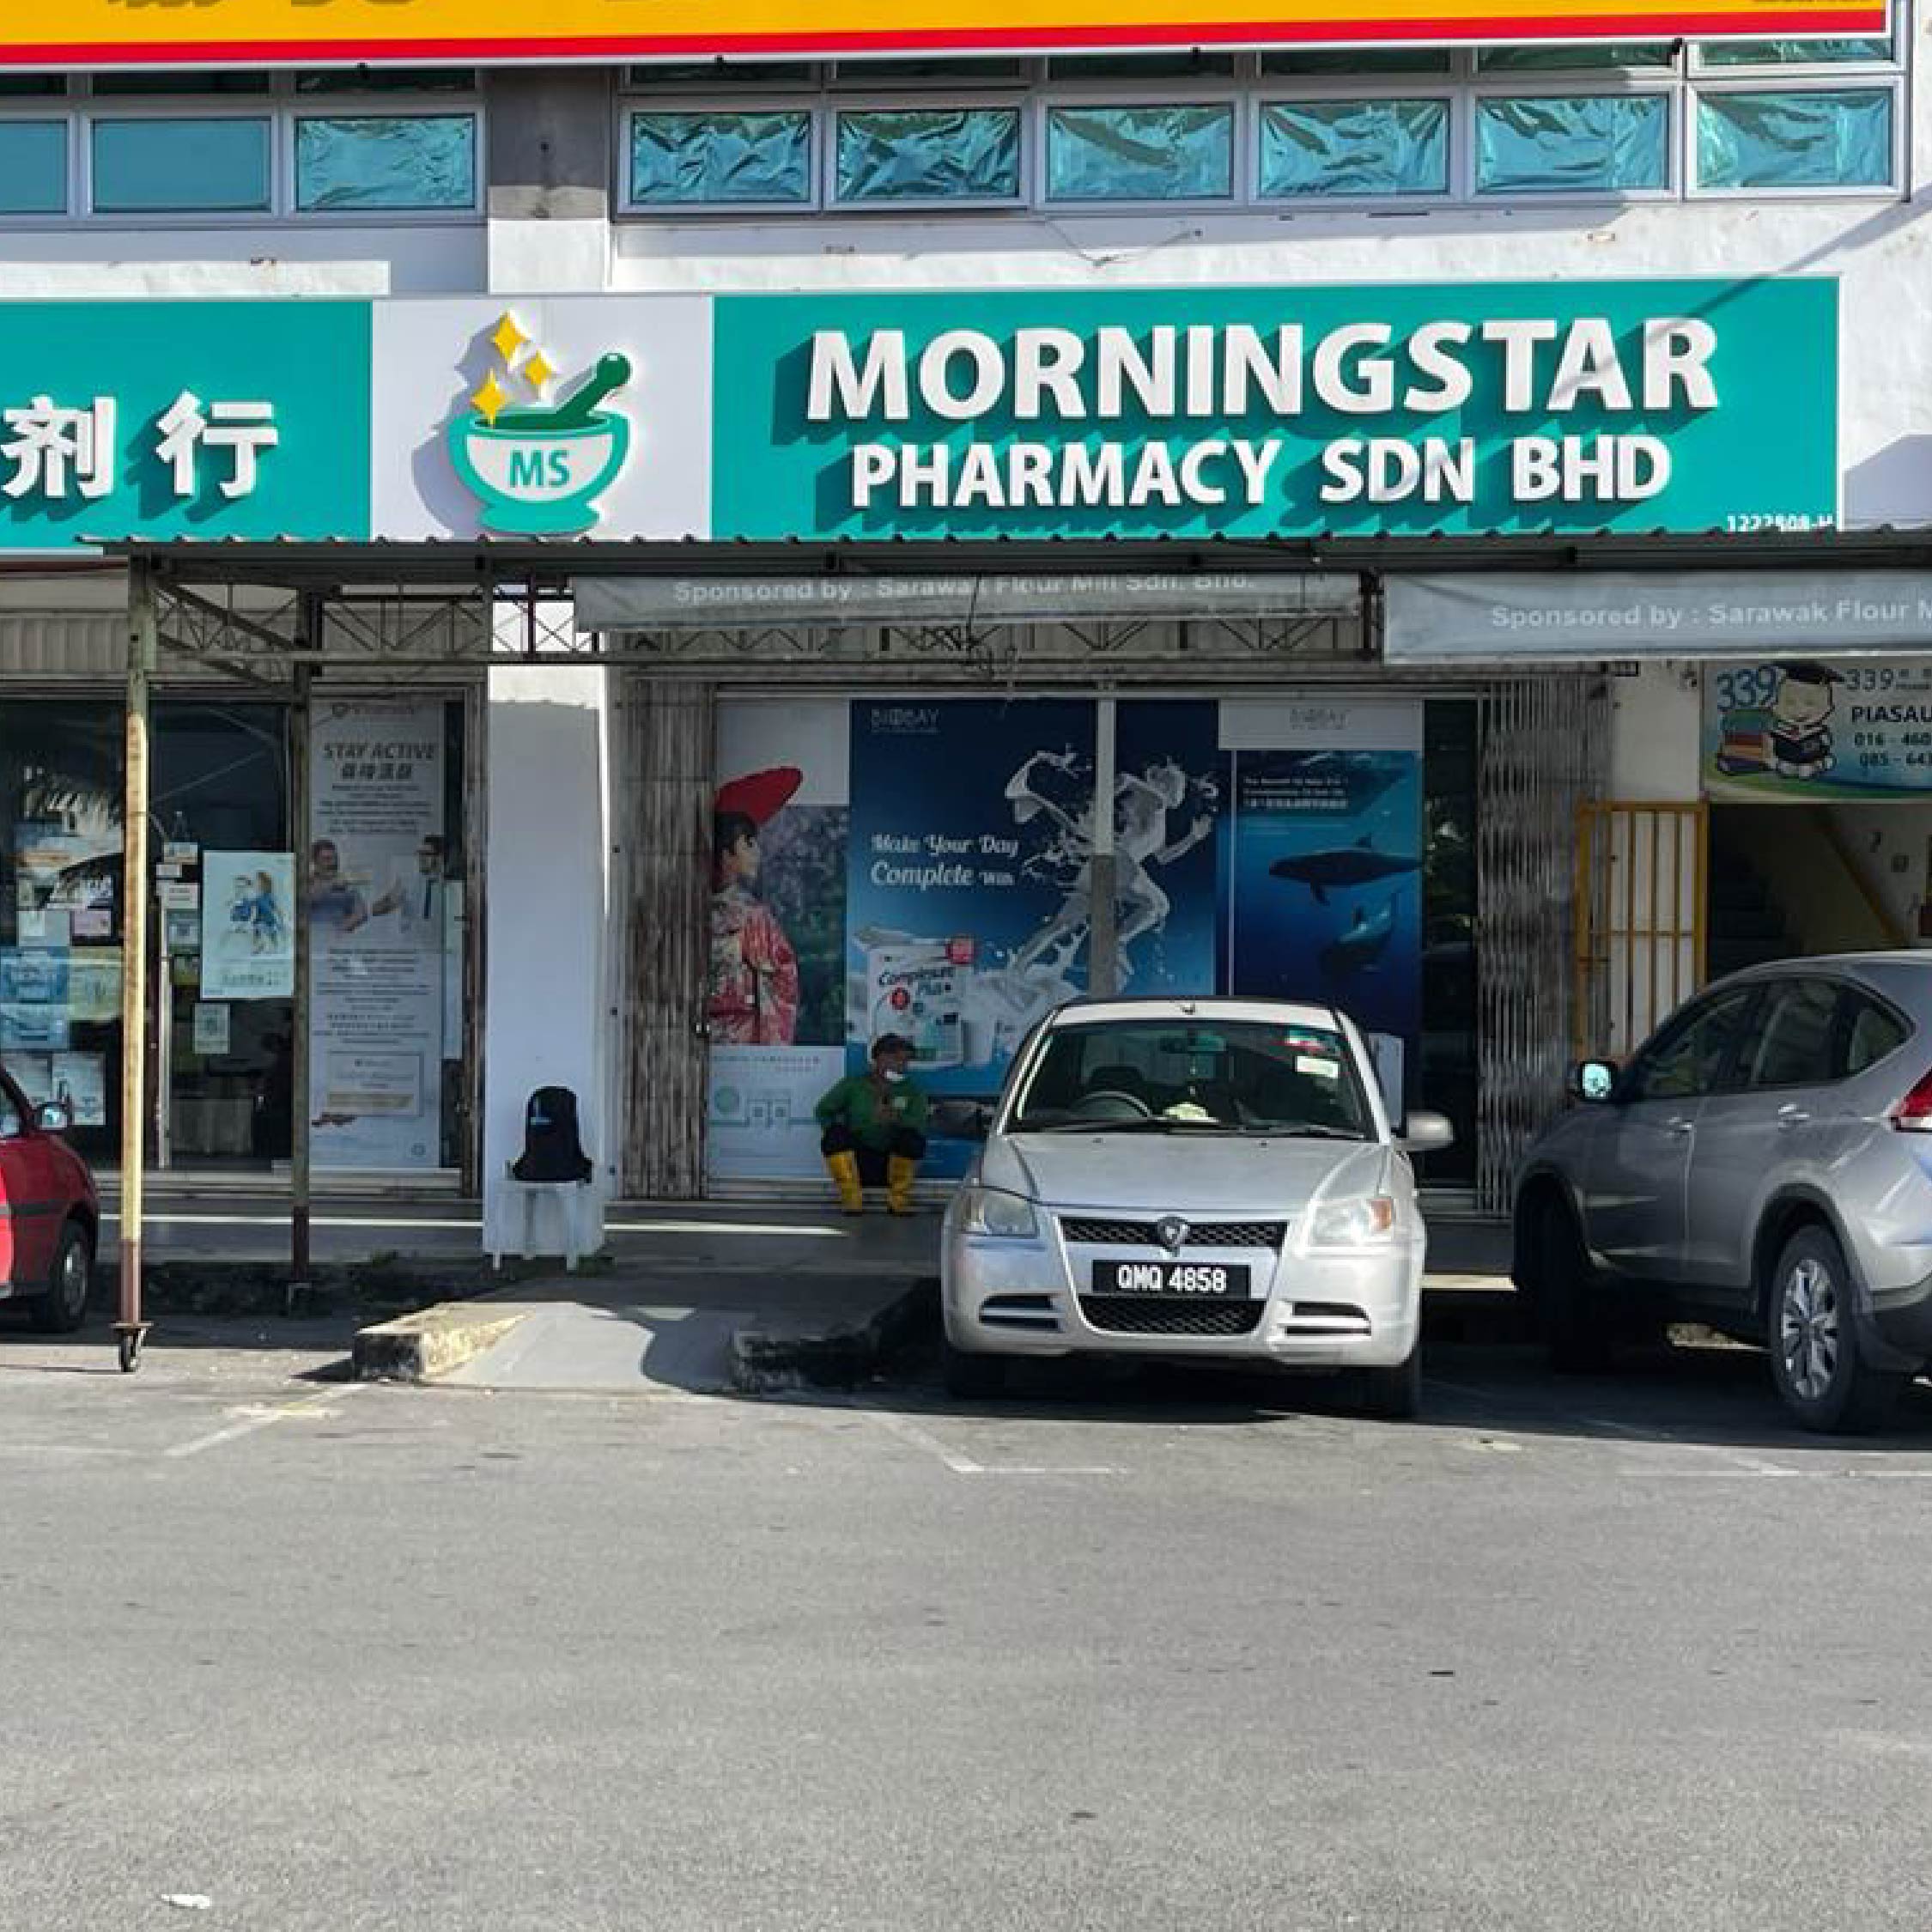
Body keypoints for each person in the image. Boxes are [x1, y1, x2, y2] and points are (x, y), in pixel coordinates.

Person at [708, 768, 803, 1046]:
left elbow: (783, 974)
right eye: (748, 844)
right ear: (726, 854)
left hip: (742, 1032)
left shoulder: (753, 915)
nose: (757, 853)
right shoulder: (750, 916)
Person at [815, 1034, 929, 1216]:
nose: (903, 1066)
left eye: (906, 1061)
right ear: (879, 1059)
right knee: (834, 1136)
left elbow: (920, 1124)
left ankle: (898, 1201)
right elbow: (822, 1111)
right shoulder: (853, 1086)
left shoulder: (911, 1091)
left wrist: (897, 1119)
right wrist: (840, 1129)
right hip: (857, 1161)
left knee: (912, 1139)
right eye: (897, 1060)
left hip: (892, 1161)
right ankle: (851, 1199)